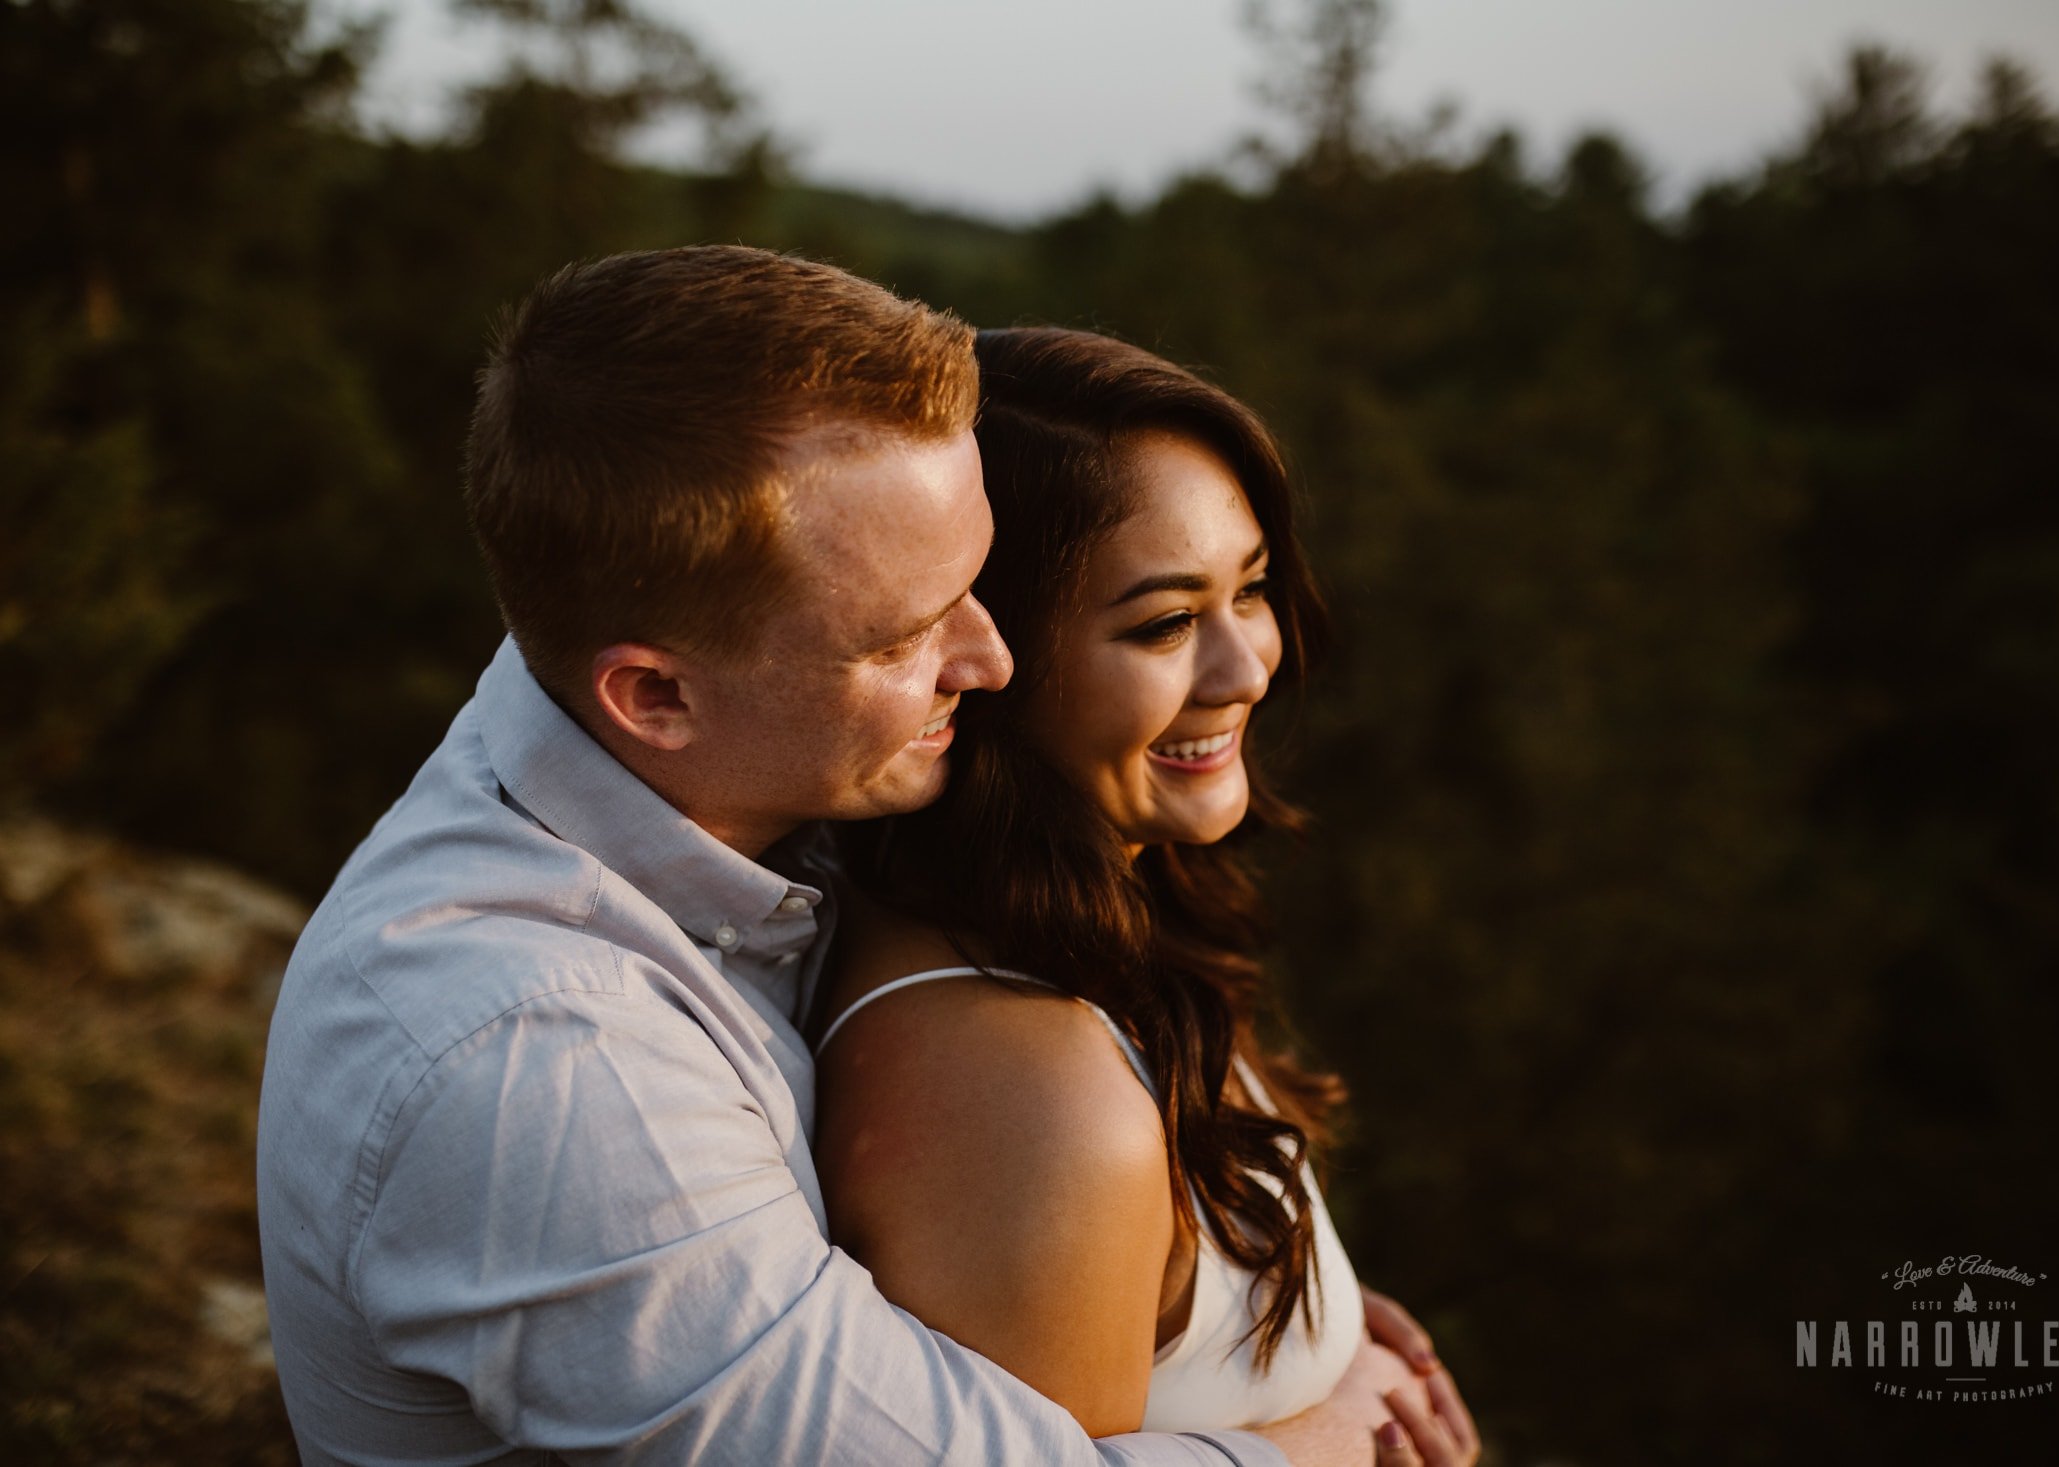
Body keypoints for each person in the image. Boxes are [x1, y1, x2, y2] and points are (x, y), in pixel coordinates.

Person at [256, 246, 1464, 1466]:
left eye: (976, 583)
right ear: (655, 694)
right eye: (905, 633)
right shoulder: (539, 1062)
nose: (991, 663)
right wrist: (1326, 1440)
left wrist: (1271, 1324)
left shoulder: (707, 746)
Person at [812, 327, 1476, 1460]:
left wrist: (1312, 1324)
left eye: (1251, 591)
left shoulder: (1091, 935)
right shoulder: (1019, 1085)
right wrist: (1325, 1442)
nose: (1246, 668)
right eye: (1165, 623)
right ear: (978, 654)